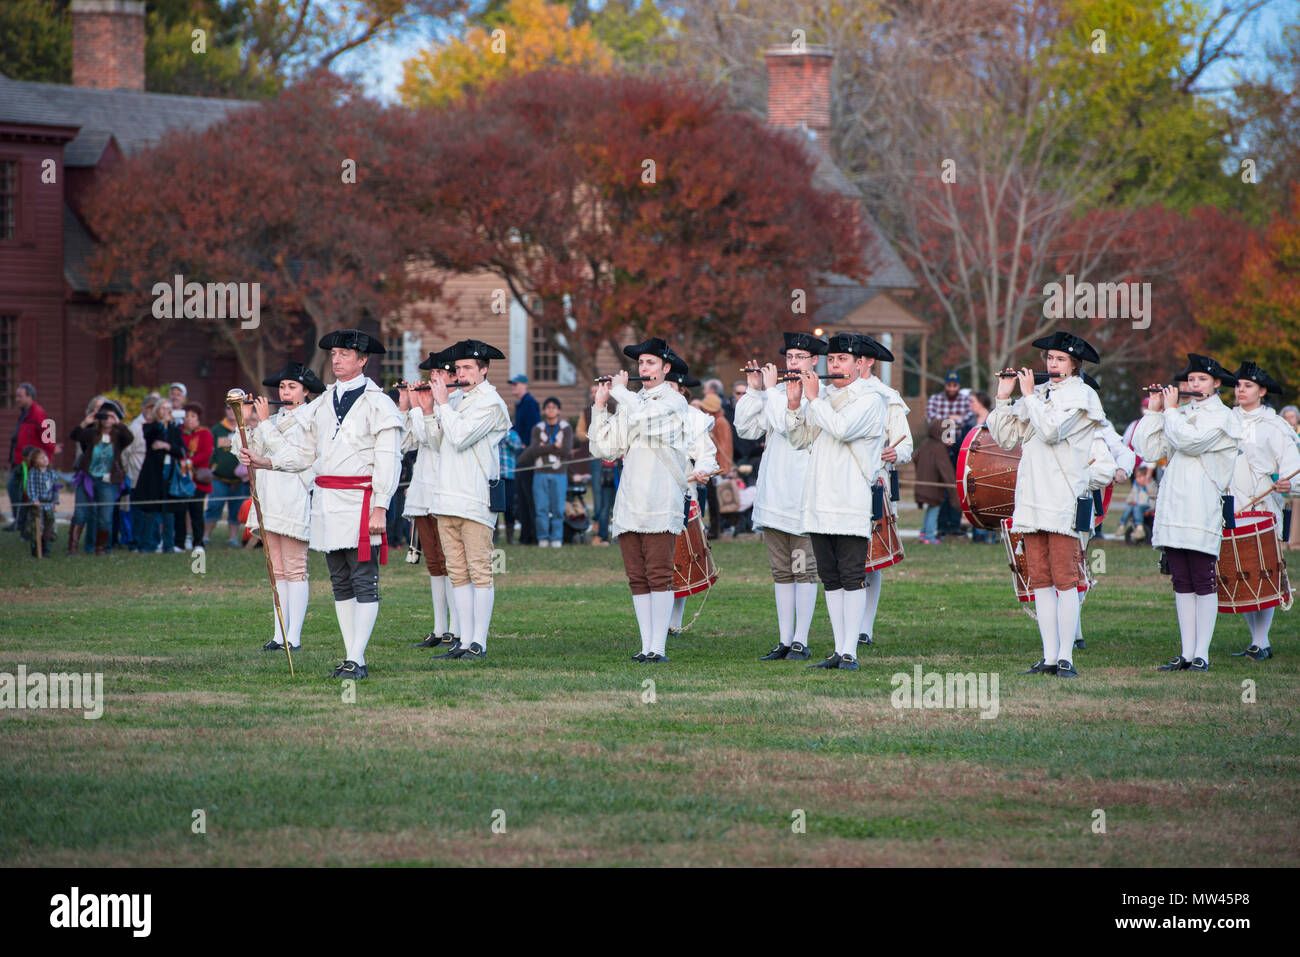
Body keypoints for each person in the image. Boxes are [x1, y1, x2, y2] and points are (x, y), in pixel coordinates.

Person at [239, 329, 404, 681]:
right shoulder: (323, 403)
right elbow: (304, 453)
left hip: (362, 501)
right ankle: (350, 655)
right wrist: (265, 461)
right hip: (328, 502)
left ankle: (357, 658)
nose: (337, 359)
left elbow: (389, 459)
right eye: (334, 354)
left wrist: (381, 506)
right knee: (339, 580)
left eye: (345, 354)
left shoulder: (380, 403)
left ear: (362, 360)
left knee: (363, 579)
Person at [986, 332, 1105, 679]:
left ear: (1075, 365)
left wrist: (1027, 396)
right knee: (1039, 578)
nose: (1052, 365)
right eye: (1049, 358)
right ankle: (1049, 656)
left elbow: (1051, 430)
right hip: (1033, 499)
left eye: (1060, 360)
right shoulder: (1038, 394)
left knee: (1065, 579)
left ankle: (1066, 656)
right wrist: (1004, 399)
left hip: (1063, 498)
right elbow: (1005, 437)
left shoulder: (1082, 396)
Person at [589, 337, 712, 663]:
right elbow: (604, 448)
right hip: (631, 500)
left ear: (665, 368)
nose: (643, 369)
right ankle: (646, 646)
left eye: (650, 363)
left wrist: (620, 393)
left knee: (659, 574)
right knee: (637, 577)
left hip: (660, 499)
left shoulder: (673, 402)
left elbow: (646, 418)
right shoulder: (633, 400)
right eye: (641, 363)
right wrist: (600, 407)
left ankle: (658, 647)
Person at [1133, 354, 1243, 673]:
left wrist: (1169, 411)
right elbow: (1148, 450)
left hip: (1202, 505)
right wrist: (1155, 411)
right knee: (1181, 580)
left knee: (1202, 579)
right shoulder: (1178, 414)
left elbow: (1189, 442)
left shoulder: (1223, 418)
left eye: (1201, 380)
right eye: (1190, 380)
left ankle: (1202, 654)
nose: (1194, 385)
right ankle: (1186, 652)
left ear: (1217, 383)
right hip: (1174, 506)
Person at [785, 333, 888, 671]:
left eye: (842, 360)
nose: (834, 365)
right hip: (819, 500)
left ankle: (850, 652)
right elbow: (799, 440)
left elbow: (842, 429)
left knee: (851, 574)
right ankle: (837, 649)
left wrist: (814, 400)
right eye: (831, 360)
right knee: (830, 577)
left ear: (859, 364)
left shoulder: (871, 399)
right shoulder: (822, 397)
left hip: (849, 498)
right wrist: (793, 403)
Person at [734, 333, 825, 661]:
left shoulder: (820, 395)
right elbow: (745, 428)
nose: (793, 363)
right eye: (790, 357)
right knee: (781, 571)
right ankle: (785, 640)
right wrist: (755, 389)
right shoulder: (775, 393)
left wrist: (770, 391)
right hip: (774, 494)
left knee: (804, 570)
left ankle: (801, 639)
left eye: (801, 357)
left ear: (815, 361)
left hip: (802, 497)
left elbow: (787, 425)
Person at [421, 339, 512, 662]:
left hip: (474, 497)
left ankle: (479, 642)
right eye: (457, 368)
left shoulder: (491, 403)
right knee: (457, 572)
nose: (460, 373)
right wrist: (428, 408)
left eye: (468, 368)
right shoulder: (455, 399)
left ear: (484, 371)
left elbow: (460, 438)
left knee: (479, 571)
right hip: (446, 498)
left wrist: (443, 403)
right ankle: (462, 640)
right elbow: (435, 441)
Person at [239, 362, 324, 652]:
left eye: (292, 387)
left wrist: (263, 423)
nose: (284, 392)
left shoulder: (310, 420)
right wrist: (248, 423)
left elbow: (290, 457)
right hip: (270, 496)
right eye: (282, 386)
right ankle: (278, 634)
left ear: (305, 392)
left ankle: (294, 637)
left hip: (296, 496)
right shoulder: (271, 420)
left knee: (295, 567)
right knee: (277, 570)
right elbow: (253, 456)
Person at [1226, 362, 1299, 661]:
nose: (1240, 391)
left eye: (1248, 386)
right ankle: (1256, 640)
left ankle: (1262, 640)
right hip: (1231, 503)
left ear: (1262, 391)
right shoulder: (1225, 420)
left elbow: (1292, 468)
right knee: (1240, 573)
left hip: (1262, 504)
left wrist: (1288, 484)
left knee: (1263, 573)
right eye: (1238, 385)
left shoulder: (1275, 426)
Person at [401, 347, 461, 650]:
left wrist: (421, 408)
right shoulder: (429, 403)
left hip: (448, 490)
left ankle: (456, 627)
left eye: (438, 374)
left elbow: (434, 440)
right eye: (431, 374)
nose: (433, 378)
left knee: (452, 562)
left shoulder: (457, 403)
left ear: (452, 377)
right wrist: (405, 407)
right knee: (435, 563)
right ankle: (439, 628)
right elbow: (405, 442)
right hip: (424, 489)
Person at [857, 336, 914, 647]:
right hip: (842, 483)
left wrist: (897, 453)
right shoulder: (832, 394)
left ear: (868, 363)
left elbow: (905, 442)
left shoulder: (886, 396)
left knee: (872, 557)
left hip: (875, 481)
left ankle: (866, 626)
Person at [663, 359, 720, 636]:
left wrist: (701, 470)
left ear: (683, 390)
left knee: (681, 557)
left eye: (672, 386)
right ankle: (656, 619)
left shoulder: (695, 418)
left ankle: (674, 620)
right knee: (657, 558)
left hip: (684, 491)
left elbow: (707, 454)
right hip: (652, 493)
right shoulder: (647, 413)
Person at [68, 398, 133, 556]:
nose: (107, 419)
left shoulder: (118, 436)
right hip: (88, 478)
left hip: (108, 481)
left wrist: (118, 422)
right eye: (104, 415)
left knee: (105, 517)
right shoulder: (91, 433)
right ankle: (73, 548)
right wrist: (86, 421)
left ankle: (100, 548)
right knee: (80, 513)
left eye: (111, 416)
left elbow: (129, 438)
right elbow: (75, 436)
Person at [518, 397, 573, 547]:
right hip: (540, 473)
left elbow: (566, 450)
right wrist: (554, 445)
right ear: (544, 410)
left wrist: (545, 446)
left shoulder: (565, 427)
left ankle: (556, 538)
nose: (551, 410)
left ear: (559, 410)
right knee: (541, 508)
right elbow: (534, 450)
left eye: (554, 407)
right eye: (548, 407)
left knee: (558, 509)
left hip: (559, 473)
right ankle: (542, 538)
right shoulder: (538, 428)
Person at [135, 400, 185, 553]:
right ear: (157, 411)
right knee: (150, 510)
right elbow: (151, 438)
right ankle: (146, 544)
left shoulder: (175, 429)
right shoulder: (149, 426)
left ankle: (168, 545)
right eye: (163, 408)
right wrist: (161, 423)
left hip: (169, 472)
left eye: (169, 409)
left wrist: (166, 446)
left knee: (169, 511)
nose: (166, 411)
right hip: (153, 473)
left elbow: (181, 450)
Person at [7, 383, 56, 533]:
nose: (17, 399)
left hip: (30, 461)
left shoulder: (37, 413)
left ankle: (23, 523)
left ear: (30, 396)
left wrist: (49, 452)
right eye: (17, 396)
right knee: (19, 490)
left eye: (20, 396)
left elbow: (48, 432)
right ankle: (20, 522)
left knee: (22, 490)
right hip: (19, 460)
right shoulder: (25, 413)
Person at [207, 403, 249, 548]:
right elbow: (210, 451)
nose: (232, 411)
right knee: (214, 507)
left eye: (235, 408)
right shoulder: (217, 430)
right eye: (229, 408)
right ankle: (205, 537)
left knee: (236, 510)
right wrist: (211, 467)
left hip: (239, 480)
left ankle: (233, 539)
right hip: (219, 478)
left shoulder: (245, 429)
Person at [123, 394, 160, 552]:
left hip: (154, 477)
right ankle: (135, 542)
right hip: (137, 476)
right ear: (143, 408)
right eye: (149, 407)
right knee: (137, 512)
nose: (151, 411)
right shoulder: (135, 427)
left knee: (153, 511)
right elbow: (126, 453)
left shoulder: (159, 426)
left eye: (155, 408)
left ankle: (153, 541)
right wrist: (127, 473)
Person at [509, 374, 541, 545]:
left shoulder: (530, 403)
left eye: (516, 384)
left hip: (528, 456)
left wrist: (526, 447)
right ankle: (525, 535)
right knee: (520, 497)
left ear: (524, 385)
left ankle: (532, 536)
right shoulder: (520, 404)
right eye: (512, 385)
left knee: (529, 497)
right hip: (520, 456)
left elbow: (534, 428)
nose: (513, 387)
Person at [177, 403, 213, 550]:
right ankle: (179, 541)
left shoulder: (205, 433)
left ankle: (198, 542)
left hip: (198, 479)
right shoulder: (178, 432)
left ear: (198, 419)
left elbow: (206, 453)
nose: (189, 419)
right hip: (181, 478)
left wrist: (190, 462)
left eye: (193, 416)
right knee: (180, 511)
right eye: (186, 416)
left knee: (196, 511)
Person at [914, 418, 956, 545]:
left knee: (931, 508)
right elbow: (946, 470)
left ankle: (923, 533)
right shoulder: (938, 448)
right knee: (934, 509)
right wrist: (953, 486)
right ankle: (929, 536)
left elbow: (915, 457)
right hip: (933, 486)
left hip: (922, 483)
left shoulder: (925, 443)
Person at [699, 392, 733, 538]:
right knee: (713, 501)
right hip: (715, 466)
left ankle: (716, 529)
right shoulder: (717, 421)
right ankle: (715, 528)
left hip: (717, 468)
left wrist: (723, 468)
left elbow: (725, 447)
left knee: (715, 501)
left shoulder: (720, 422)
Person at [963, 391, 995, 542]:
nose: (970, 405)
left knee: (991, 498)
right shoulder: (970, 420)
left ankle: (994, 534)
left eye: (973, 401)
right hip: (973, 466)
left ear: (981, 402)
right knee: (976, 499)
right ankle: (978, 535)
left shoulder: (994, 419)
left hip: (992, 464)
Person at [22, 446, 58, 557]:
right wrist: (34, 499)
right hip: (37, 505)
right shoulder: (33, 473)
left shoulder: (52, 473)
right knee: (37, 528)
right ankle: (36, 551)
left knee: (48, 527)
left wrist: (55, 502)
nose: (45, 459)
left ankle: (46, 551)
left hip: (48, 505)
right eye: (41, 458)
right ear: (35, 462)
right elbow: (30, 487)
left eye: (45, 457)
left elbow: (55, 489)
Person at [1117, 466, 1156, 541]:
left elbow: (1154, 494)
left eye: (1141, 477)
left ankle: (1139, 527)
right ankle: (1122, 526)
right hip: (1137, 506)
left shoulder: (1151, 484)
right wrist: (1130, 501)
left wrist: (1147, 484)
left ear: (1146, 477)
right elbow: (1131, 495)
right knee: (1129, 508)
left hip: (1148, 506)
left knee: (1137, 508)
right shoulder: (1136, 486)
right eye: (1137, 477)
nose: (1138, 479)